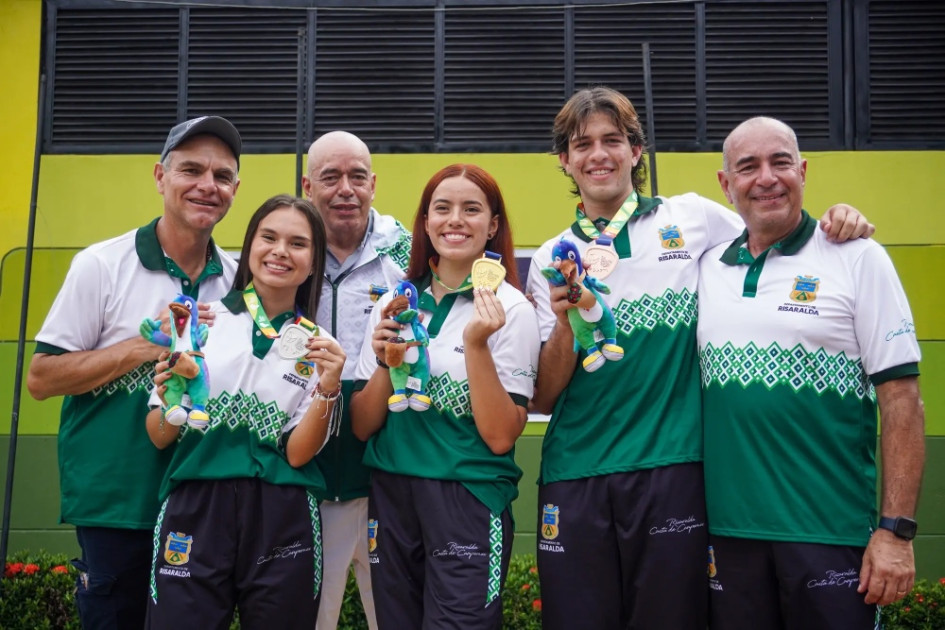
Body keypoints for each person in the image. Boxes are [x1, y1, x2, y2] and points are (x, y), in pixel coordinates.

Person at [525, 87, 873, 630]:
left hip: (673, 471)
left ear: (636, 151)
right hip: (576, 470)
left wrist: (839, 218)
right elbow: (544, 395)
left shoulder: (694, 218)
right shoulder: (551, 255)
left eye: (613, 140)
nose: (599, 154)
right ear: (565, 161)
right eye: (582, 144)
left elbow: (774, 224)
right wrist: (569, 320)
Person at [698, 116, 924, 629]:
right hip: (729, 538)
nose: (766, 178)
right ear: (725, 183)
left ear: (803, 170)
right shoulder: (707, 265)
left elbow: (903, 400)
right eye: (748, 166)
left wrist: (895, 532)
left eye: (780, 162)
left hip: (832, 534)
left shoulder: (858, 258)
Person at [26, 116, 242, 629]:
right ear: (159, 176)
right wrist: (145, 346)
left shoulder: (238, 279)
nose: (207, 185)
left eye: (222, 175)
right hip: (117, 504)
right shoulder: (102, 264)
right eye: (191, 170)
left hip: (202, 504)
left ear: (235, 188)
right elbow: (42, 378)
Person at [350, 164, 540, 629]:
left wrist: (476, 344)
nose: (455, 219)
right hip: (392, 496)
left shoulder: (510, 308)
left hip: (467, 499)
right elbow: (361, 425)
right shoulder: (394, 302)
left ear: (492, 225)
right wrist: (383, 361)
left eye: (471, 209)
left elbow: (500, 436)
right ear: (426, 222)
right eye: (442, 208)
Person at [145, 194, 346, 629]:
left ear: (314, 263)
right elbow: (159, 435)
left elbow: (297, 454)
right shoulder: (198, 323)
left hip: (283, 512)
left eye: (297, 243)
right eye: (268, 237)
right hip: (196, 504)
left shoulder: (320, 347)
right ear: (249, 246)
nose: (279, 251)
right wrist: (172, 398)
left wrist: (329, 388)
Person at [300, 131, 411, 630]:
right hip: (307, 475)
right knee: (307, 617)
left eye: (357, 177)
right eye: (330, 177)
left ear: (373, 184)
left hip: (386, 473)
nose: (346, 188)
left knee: (391, 616)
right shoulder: (287, 252)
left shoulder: (407, 255)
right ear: (308, 186)